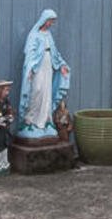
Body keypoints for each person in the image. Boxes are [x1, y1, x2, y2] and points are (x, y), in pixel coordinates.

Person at [17, 10, 71, 139]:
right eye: (50, 20)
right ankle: (30, 121)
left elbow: (54, 52)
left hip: (48, 66)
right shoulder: (34, 35)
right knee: (36, 91)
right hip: (37, 67)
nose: (51, 23)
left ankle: (45, 121)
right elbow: (30, 53)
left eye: (53, 21)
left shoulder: (48, 35)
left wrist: (61, 64)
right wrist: (30, 69)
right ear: (44, 20)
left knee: (46, 92)